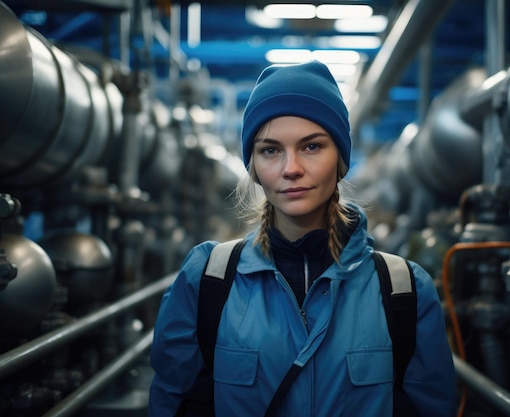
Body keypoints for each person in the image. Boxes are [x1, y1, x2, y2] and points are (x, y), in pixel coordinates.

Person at [148, 60, 456, 417]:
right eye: (270, 150)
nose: (291, 168)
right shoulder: (208, 281)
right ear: (254, 166)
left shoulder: (403, 291)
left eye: (312, 147)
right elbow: (171, 403)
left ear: (340, 158)